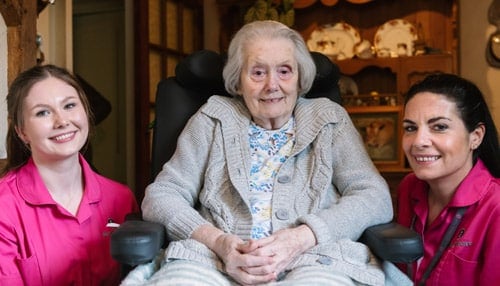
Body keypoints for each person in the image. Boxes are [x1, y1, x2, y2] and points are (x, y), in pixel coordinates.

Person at [133, 20, 394, 285]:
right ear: (237, 81)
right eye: (258, 73)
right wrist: (219, 242)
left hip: (313, 260)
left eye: (284, 71)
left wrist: (302, 237)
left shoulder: (329, 120)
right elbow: (162, 196)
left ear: (300, 78)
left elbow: (374, 196)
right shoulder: (213, 119)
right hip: (213, 263)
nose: (272, 85)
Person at [0, 64, 139, 285]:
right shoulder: (4, 207)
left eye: (70, 105)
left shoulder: (121, 199)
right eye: (43, 112)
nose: (62, 121)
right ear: (22, 131)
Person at [396, 73, 500, 285]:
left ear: (476, 137)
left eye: (439, 127)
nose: (418, 141)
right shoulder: (409, 188)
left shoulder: (495, 208)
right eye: (410, 128)